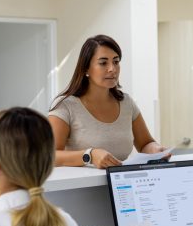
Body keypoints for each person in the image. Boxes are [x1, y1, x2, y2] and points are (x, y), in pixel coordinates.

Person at [48, 34, 165, 168]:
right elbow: (49, 156)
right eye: (103, 63)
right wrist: (89, 155)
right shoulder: (65, 106)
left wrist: (155, 150)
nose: (112, 69)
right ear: (86, 68)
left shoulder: (126, 103)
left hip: (122, 186)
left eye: (116, 61)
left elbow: (145, 144)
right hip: (80, 188)